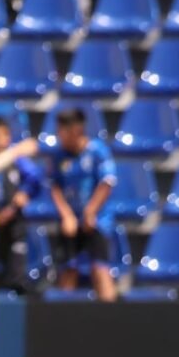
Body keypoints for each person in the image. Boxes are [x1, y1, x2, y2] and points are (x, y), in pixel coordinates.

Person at [49, 107, 118, 302]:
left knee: (100, 267)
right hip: (70, 222)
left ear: (76, 130)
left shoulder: (97, 151)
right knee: (67, 268)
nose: (59, 136)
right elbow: (55, 187)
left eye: (62, 131)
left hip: (97, 221)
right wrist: (67, 216)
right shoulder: (59, 156)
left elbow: (107, 182)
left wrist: (90, 212)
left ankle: (110, 316)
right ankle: (63, 320)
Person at [0, 115, 44, 293]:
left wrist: (24, 195)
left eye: (3, 135)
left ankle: (16, 285)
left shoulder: (18, 162)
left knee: (15, 259)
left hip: (14, 219)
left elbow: (34, 179)